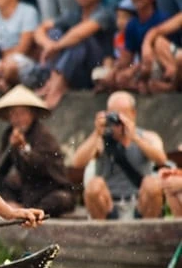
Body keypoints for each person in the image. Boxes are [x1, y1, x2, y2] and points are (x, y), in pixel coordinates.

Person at [70, 91, 169, 220]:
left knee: (152, 184)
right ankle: (102, 232)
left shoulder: (147, 137)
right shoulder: (101, 139)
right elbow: (77, 162)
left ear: (133, 113)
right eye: (114, 114)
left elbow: (161, 159)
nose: (118, 119)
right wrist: (96, 133)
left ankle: (147, 233)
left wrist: (135, 138)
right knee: (94, 185)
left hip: (140, 203)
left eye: (123, 114)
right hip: (109, 205)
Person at [0, 85, 75, 218]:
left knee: (62, 199)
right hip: (27, 190)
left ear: (31, 114)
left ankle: (29, 212)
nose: (17, 118)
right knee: (0, 184)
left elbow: (41, 167)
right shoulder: (9, 134)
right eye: (13, 114)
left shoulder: (43, 136)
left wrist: (23, 148)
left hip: (48, 188)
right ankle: (13, 208)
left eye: (21, 113)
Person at [33, 0, 115, 108]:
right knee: (55, 34)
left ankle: (56, 86)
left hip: (96, 71)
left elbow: (80, 33)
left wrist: (54, 47)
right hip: (76, 70)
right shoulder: (74, 14)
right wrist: (47, 44)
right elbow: (41, 29)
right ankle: (52, 80)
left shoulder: (104, 14)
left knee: (79, 40)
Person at [97, 0, 164, 92]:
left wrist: (132, 70)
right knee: (104, 76)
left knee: (141, 71)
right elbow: (127, 57)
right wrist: (114, 71)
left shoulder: (161, 19)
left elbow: (158, 55)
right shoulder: (132, 24)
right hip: (139, 67)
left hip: (156, 65)